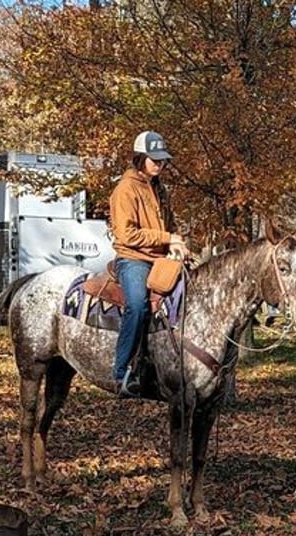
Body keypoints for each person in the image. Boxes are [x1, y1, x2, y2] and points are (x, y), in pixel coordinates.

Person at [110, 130, 189, 397]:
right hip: (133, 258)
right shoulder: (125, 189)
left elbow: (171, 226)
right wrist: (168, 238)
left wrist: (177, 244)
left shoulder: (159, 188)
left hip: (160, 257)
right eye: (154, 159)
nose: (159, 164)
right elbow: (126, 234)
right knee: (137, 305)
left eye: (162, 160)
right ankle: (121, 373)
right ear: (139, 158)